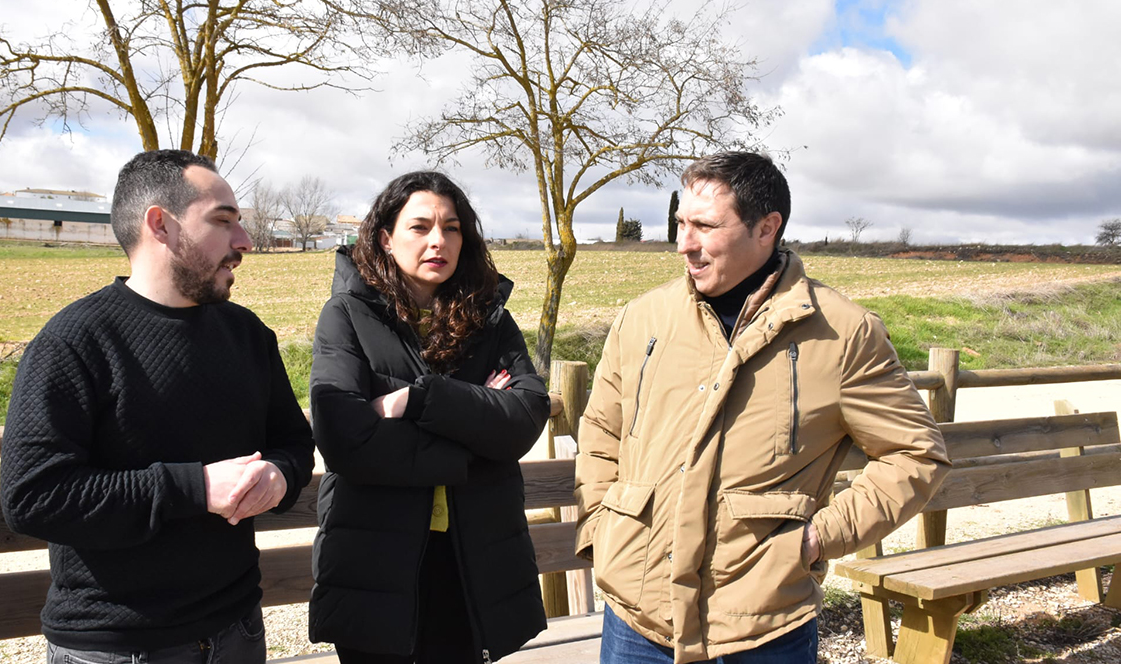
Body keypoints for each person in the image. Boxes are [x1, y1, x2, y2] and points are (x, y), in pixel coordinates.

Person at [574, 151, 951, 663]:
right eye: (681, 222)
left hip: (763, 629)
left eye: (705, 226)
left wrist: (817, 539)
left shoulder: (844, 332)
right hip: (635, 621)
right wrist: (602, 526)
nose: (685, 243)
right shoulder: (642, 318)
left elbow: (916, 455)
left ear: (766, 228)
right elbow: (601, 430)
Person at [0, 150, 316, 663]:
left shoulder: (248, 335)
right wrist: (194, 489)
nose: (245, 243)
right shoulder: (76, 340)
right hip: (119, 647)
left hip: (237, 629)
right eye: (223, 221)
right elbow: (33, 495)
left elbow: (293, 443)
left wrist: (280, 475)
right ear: (160, 225)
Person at [307, 171, 550, 663]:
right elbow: (343, 438)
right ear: (386, 238)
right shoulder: (346, 315)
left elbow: (525, 416)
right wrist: (473, 433)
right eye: (420, 227)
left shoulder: (491, 321)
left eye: (452, 227)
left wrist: (412, 403)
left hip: (471, 563)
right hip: (375, 564)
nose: (438, 240)